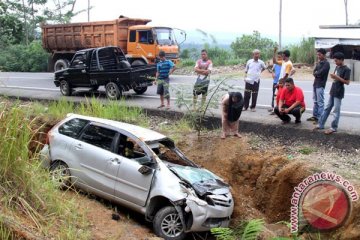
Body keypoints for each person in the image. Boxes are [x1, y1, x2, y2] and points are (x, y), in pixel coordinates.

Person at [314, 52, 351, 134]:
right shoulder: (337, 67)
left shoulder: (347, 69)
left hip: (339, 92)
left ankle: (334, 127)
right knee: (327, 108)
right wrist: (334, 77)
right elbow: (335, 79)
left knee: (336, 110)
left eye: (336, 61)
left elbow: (347, 82)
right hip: (333, 90)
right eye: (334, 61)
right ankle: (321, 124)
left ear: (341, 60)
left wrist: (336, 77)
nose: (335, 62)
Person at [307, 48, 330, 123]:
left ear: (324, 55)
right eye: (317, 55)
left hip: (320, 84)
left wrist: (317, 73)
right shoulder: (319, 62)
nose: (318, 56)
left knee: (320, 102)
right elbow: (314, 72)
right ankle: (315, 116)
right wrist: (317, 73)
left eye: (319, 55)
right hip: (315, 84)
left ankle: (320, 118)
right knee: (315, 101)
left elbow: (320, 73)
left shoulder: (326, 64)